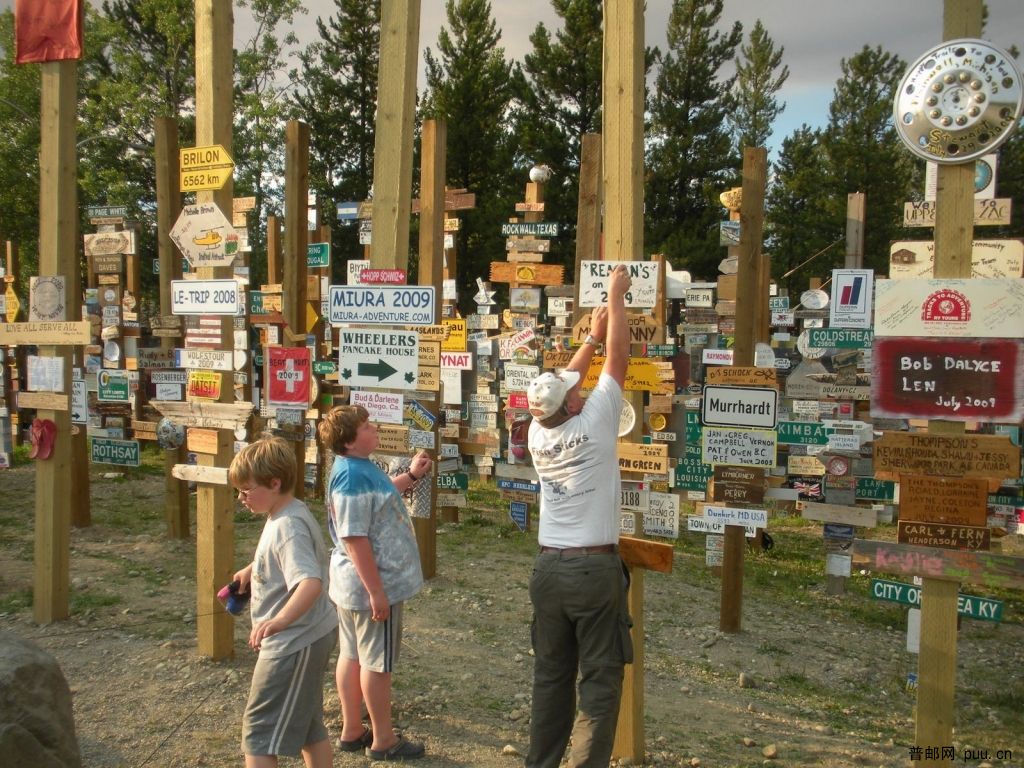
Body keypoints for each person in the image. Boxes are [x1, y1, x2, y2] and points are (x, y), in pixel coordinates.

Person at [524, 263, 633, 768]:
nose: (580, 387)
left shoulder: (537, 431)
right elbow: (620, 360)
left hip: (549, 568)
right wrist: (616, 298)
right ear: (572, 404)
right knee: (600, 680)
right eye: (574, 390)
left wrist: (589, 337)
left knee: (550, 677)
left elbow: (580, 375)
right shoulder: (597, 420)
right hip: (594, 568)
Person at [318, 405, 433, 761]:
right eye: (367, 427)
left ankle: (353, 730)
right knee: (377, 663)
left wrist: (410, 477)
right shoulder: (351, 477)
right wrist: (376, 592)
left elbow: (380, 497)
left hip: (354, 587)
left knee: (352, 655)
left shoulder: (358, 469)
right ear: (350, 441)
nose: (375, 429)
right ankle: (384, 740)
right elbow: (354, 537)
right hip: (369, 586)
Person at [228, 436, 338, 768]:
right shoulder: (282, 512)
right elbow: (284, 559)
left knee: (259, 732)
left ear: (274, 483)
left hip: (294, 642)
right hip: (303, 637)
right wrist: (253, 569)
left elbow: (309, 583)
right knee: (307, 725)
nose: (241, 498)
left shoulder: (288, 526)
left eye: (246, 490)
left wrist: (278, 621)